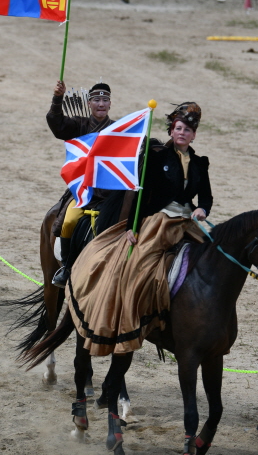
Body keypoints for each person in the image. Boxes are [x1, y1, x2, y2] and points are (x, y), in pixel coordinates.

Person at [69, 102, 211, 356]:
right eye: (179, 128)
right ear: (171, 131)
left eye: (188, 130)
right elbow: (140, 196)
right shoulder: (158, 158)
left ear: (194, 135)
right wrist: (130, 227)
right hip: (158, 222)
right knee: (139, 266)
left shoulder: (201, 163)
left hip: (188, 222)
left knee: (214, 256)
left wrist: (203, 210)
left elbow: (207, 198)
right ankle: (132, 316)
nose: (183, 133)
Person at [47, 81, 116, 288]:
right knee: (68, 222)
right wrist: (58, 98)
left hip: (111, 192)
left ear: (110, 104)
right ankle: (67, 267)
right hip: (84, 191)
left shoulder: (118, 129)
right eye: (96, 100)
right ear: (89, 104)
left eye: (105, 100)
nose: (101, 104)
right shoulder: (78, 125)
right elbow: (56, 124)